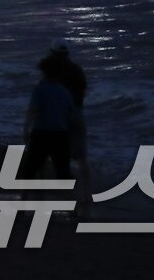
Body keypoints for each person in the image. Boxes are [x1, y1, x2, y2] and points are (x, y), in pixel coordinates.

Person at [18, 54, 78, 194]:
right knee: (63, 173)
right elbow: (72, 116)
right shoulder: (65, 92)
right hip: (61, 135)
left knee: (30, 170)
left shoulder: (40, 89)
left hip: (42, 134)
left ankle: (24, 201)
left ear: (44, 72)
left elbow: (33, 110)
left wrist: (26, 129)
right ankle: (76, 204)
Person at [47, 42, 92, 217]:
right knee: (82, 156)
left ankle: (70, 195)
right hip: (78, 115)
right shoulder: (77, 70)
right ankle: (86, 194)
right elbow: (83, 92)